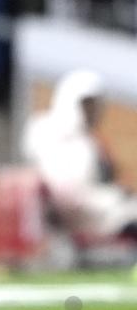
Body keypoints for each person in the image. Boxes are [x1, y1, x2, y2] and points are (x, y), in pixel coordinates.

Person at [22, 69, 137, 243]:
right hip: (74, 216)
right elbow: (67, 195)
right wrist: (114, 198)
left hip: (94, 209)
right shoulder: (48, 132)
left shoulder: (89, 142)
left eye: (95, 106)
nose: (92, 112)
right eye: (87, 105)